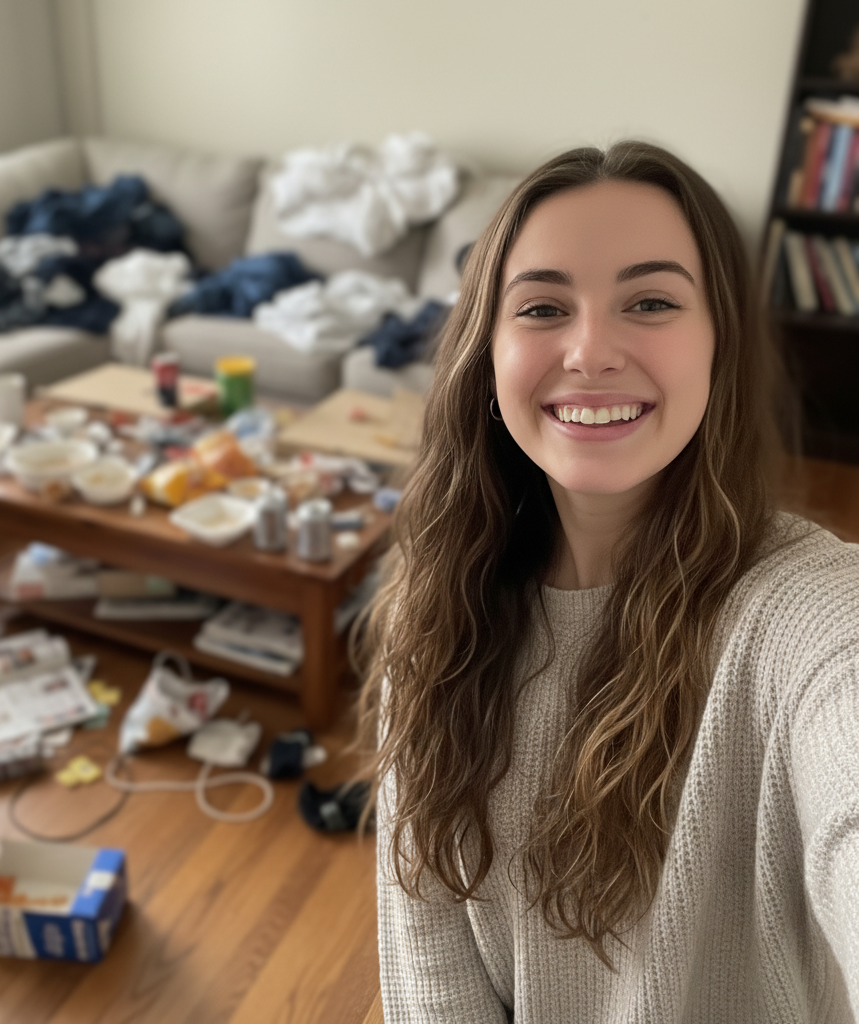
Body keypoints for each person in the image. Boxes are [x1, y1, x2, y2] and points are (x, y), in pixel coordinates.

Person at [355, 141, 859, 1022]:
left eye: (652, 302)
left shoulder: (807, 613)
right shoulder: (436, 613)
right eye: (544, 306)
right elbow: (433, 975)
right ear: (488, 353)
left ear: (719, 345)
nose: (590, 352)